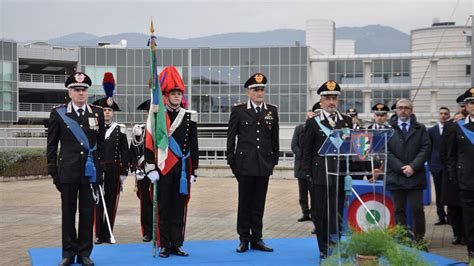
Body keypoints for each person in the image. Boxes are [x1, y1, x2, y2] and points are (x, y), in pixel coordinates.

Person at [47, 72, 105, 266]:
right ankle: (68, 253)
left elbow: (102, 144)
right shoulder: (59, 113)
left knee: (88, 213)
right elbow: (52, 144)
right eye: (76, 90)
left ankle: (84, 253)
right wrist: (53, 171)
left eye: (84, 90)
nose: (81, 93)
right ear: (69, 92)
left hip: (90, 172)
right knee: (68, 213)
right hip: (68, 171)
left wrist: (101, 171)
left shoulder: (97, 113)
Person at [144, 66, 199, 258]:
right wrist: (150, 166)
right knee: (163, 206)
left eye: (179, 93)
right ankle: (164, 243)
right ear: (165, 95)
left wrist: (194, 170)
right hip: (163, 168)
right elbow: (149, 142)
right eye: (173, 93)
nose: (176, 96)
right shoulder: (157, 115)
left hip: (182, 168)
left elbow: (194, 144)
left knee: (179, 207)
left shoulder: (189, 116)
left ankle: (177, 243)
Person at [227, 72, 279, 253]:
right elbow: (231, 137)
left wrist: (274, 160)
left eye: (261, 90)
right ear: (248, 92)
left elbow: (274, 138)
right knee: (245, 203)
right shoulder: (239, 110)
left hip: (263, 163)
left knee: (259, 203)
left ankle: (257, 237)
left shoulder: (271, 110)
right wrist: (231, 161)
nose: (259, 93)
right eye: (256, 90)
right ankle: (244, 238)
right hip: (245, 164)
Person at [302, 80, 352, 259]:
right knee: (320, 213)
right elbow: (306, 151)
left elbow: (350, 149)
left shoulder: (346, 121)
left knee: (338, 211)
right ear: (321, 101)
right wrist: (307, 175)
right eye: (328, 98)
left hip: (339, 175)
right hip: (320, 175)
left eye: (334, 98)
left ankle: (336, 242)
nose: (331, 102)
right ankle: (323, 246)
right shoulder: (314, 122)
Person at [92, 72, 129, 244]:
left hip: (114, 168)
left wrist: (124, 172)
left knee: (111, 200)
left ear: (113, 113)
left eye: (109, 110)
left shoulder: (120, 128)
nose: (107, 112)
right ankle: (98, 234)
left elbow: (125, 151)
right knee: (98, 201)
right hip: (99, 167)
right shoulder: (95, 128)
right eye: (104, 110)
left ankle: (108, 233)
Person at [386, 98, 431, 240]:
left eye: (406, 107)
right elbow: (385, 151)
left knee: (417, 209)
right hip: (396, 175)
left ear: (411, 110)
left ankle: (419, 240)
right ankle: (403, 239)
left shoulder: (420, 128)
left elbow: (426, 148)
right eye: (400, 107)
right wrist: (400, 167)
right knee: (399, 210)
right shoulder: (388, 128)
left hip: (415, 175)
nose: (403, 110)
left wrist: (413, 166)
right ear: (395, 110)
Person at [447, 88, 474, 261]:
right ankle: (472, 253)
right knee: (470, 221)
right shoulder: (458, 127)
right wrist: (455, 178)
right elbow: (451, 155)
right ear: (466, 106)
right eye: (472, 103)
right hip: (467, 182)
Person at [441, 95, 466, 245]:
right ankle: (457, 234)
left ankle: (467, 234)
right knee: (453, 208)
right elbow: (444, 151)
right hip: (452, 173)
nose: (464, 108)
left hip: (468, 174)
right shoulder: (450, 125)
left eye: (466, 105)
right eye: (462, 106)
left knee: (467, 208)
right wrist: (450, 171)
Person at [129, 99, 153, 242]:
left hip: (159, 172)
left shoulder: (162, 130)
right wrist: (134, 168)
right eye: (149, 112)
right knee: (145, 203)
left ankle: (159, 230)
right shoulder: (139, 130)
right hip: (143, 172)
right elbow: (133, 151)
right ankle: (147, 231)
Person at [427, 107, 450, 226]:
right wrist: (430, 164)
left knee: (450, 191)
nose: (443, 115)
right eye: (441, 113)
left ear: (449, 115)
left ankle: (451, 216)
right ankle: (441, 216)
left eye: (446, 114)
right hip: (436, 166)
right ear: (438, 115)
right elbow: (428, 148)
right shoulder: (432, 131)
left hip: (449, 166)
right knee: (438, 191)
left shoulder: (452, 128)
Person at [291, 123, 312, 222]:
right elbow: (294, 145)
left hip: (312, 167)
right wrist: (302, 155)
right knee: (302, 193)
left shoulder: (316, 128)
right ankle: (305, 213)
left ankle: (315, 214)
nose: (309, 118)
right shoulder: (299, 128)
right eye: (308, 116)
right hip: (301, 166)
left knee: (314, 194)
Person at [366, 103, 391, 182]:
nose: (379, 117)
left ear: (386, 116)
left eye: (382, 115)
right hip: (370, 163)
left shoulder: (391, 130)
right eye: (377, 115)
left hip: (386, 163)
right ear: (374, 116)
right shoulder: (367, 130)